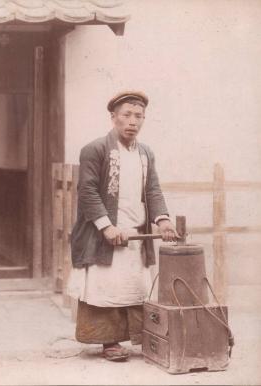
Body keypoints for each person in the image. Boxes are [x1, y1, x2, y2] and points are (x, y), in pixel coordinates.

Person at [68, 91, 179, 361]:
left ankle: (143, 338)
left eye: (138, 116)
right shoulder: (95, 149)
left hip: (135, 234)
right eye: (126, 115)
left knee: (134, 286)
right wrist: (106, 227)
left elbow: (152, 189)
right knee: (106, 287)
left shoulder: (145, 153)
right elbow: (88, 192)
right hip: (104, 234)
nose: (132, 121)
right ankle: (109, 342)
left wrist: (162, 220)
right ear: (113, 118)